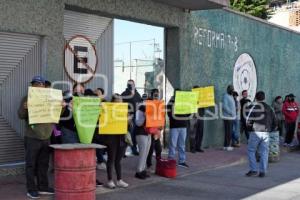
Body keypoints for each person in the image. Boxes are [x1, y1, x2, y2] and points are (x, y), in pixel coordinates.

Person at [18, 76, 55, 199]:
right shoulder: (27, 98)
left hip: (46, 136)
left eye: (41, 84)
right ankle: (31, 189)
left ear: (44, 86)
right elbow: (20, 115)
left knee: (43, 164)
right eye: (36, 84)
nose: (39, 86)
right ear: (32, 85)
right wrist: (24, 108)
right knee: (31, 164)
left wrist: (62, 106)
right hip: (32, 137)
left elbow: (57, 114)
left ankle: (43, 187)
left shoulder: (50, 98)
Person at [245, 91, 277, 178]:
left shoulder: (253, 107)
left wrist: (250, 129)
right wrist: (270, 130)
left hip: (255, 132)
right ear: (264, 98)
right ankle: (263, 171)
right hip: (266, 132)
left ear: (256, 98)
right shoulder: (270, 108)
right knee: (264, 152)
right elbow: (275, 121)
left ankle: (254, 170)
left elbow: (248, 121)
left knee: (251, 150)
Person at [101, 94, 129, 188]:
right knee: (111, 159)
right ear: (112, 101)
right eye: (117, 100)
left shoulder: (124, 110)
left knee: (118, 160)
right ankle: (110, 180)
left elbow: (129, 126)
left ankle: (119, 180)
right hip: (111, 138)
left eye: (120, 100)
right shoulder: (107, 110)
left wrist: (128, 121)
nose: (119, 102)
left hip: (121, 138)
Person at [167, 90, 190, 168]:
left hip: (183, 125)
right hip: (175, 126)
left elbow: (189, 112)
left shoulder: (184, 102)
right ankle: (171, 160)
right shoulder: (171, 102)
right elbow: (169, 113)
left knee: (182, 144)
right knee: (173, 144)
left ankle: (182, 161)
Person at [121, 80, 142, 156]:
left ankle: (134, 149)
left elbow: (140, 103)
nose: (130, 85)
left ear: (134, 84)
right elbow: (121, 105)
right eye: (129, 84)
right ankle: (122, 151)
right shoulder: (124, 94)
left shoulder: (137, 94)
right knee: (128, 133)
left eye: (131, 84)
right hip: (128, 116)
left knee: (134, 134)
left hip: (137, 116)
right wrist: (127, 114)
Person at [135, 99, 152, 179]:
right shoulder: (140, 110)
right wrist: (145, 117)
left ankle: (142, 170)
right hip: (141, 133)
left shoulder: (150, 110)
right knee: (142, 153)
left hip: (148, 133)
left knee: (146, 153)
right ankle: (139, 171)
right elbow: (138, 123)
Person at [146, 89, 163, 169]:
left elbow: (161, 116)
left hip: (157, 129)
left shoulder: (159, 104)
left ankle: (159, 163)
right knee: (150, 149)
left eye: (157, 94)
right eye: (155, 94)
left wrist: (160, 127)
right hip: (150, 130)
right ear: (151, 94)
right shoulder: (148, 103)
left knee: (158, 148)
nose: (156, 96)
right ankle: (148, 164)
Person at [188, 85, 205, 153]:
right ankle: (192, 148)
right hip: (193, 117)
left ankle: (198, 147)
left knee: (200, 133)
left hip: (200, 116)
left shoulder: (202, 98)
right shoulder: (190, 98)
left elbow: (204, 106)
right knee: (193, 133)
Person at [222, 85, 236, 151]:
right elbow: (224, 106)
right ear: (228, 90)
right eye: (231, 89)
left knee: (229, 132)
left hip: (232, 117)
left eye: (233, 89)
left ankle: (226, 145)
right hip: (227, 117)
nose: (232, 90)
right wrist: (231, 112)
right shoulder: (225, 96)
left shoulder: (231, 96)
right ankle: (227, 146)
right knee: (228, 132)